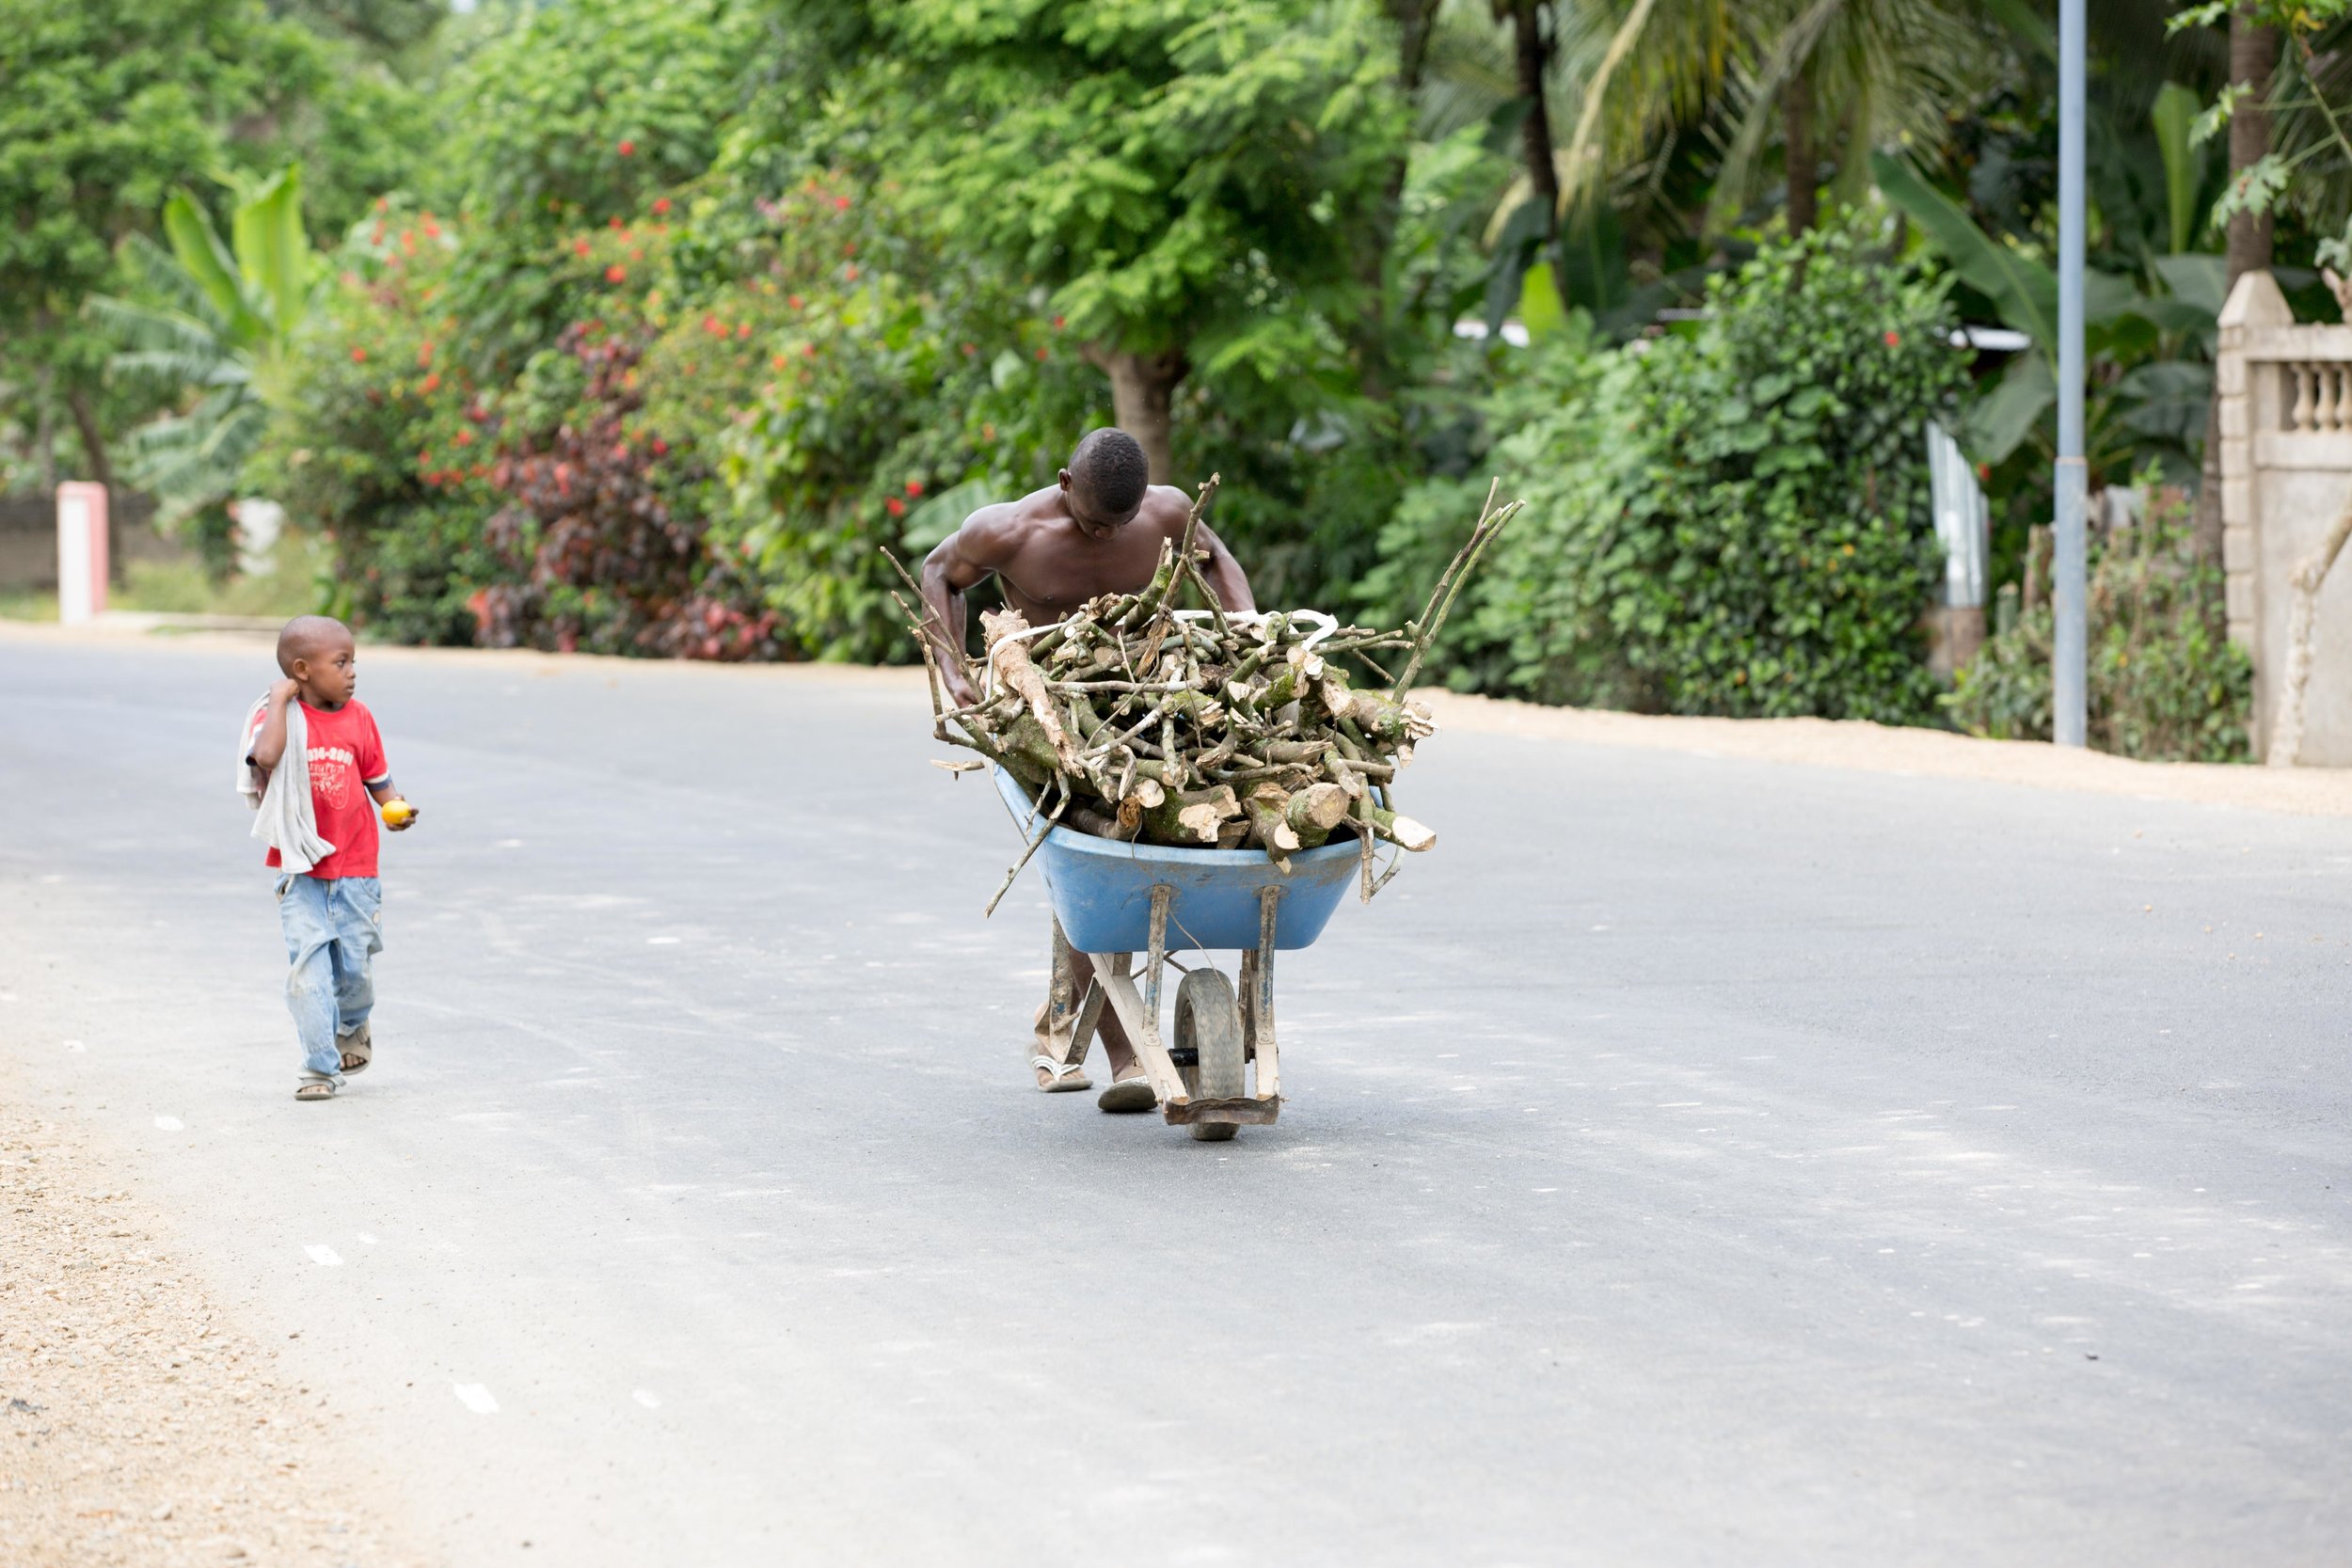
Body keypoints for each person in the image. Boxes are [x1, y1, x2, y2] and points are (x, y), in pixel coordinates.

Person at [920, 428, 1254, 1112]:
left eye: (1119, 525)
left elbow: (1215, 556)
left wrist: (1245, 626)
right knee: (1096, 852)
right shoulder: (1009, 531)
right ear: (1066, 484)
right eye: (1095, 521)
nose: (1106, 538)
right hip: (1051, 717)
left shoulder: (1161, 512)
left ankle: (1061, 1031)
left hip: (1144, 698)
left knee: (1133, 850)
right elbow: (936, 573)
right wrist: (954, 668)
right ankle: (1121, 1050)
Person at [239, 616, 416, 1101]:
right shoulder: (277, 717)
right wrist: (279, 700)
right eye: (341, 663)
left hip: (357, 865)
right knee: (309, 970)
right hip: (300, 871)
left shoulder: (359, 717)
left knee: (354, 969)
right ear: (303, 670)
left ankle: (353, 1025)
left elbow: (377, 778)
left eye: (353, 661)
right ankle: (318, 1066)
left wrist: (394, 810)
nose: (353, 672)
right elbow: (267, 757)